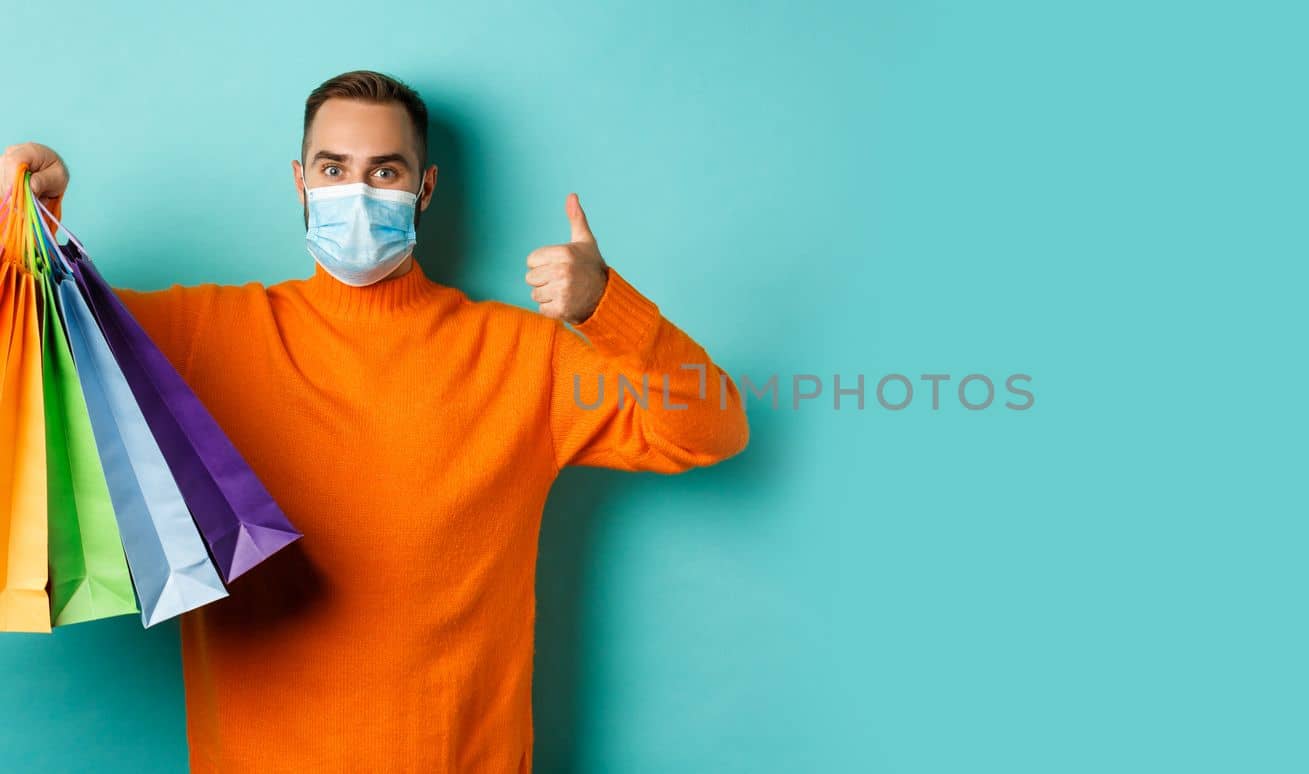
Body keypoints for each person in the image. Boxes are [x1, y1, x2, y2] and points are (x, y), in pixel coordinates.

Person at [0, 69, 749, 772]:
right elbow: (30, 354)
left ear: (424, 189)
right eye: (332, 169)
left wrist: (604, 307)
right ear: (300, 181)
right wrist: (29, 228)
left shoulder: (528, 357)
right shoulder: (202, 335)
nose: (355, 192)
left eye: (384, 172)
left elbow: (712, 428)